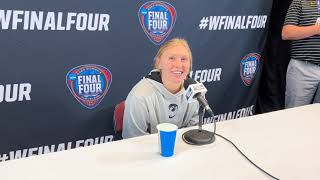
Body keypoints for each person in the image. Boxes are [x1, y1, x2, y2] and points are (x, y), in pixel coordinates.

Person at [122, 38, 199, 139]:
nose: (178, 65)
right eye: (171, 58)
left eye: (183, 59)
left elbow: (193, 133)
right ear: (159, 63)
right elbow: (133, 141)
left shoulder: (195, 90)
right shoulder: (140, 96)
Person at [282, 0, 320, 108]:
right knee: (294, 114)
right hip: (303, 68)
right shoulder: (300, 2)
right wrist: (317, 29)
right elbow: (286, 33)